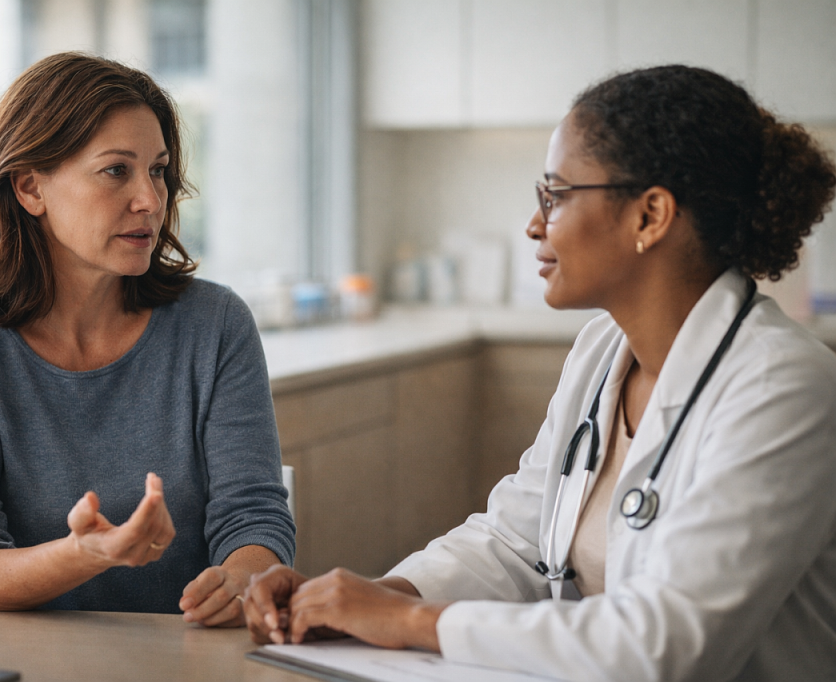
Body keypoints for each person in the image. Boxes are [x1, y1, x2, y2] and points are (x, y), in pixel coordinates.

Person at [242, 65, 836, 681]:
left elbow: (667, 643)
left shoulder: (784, 387)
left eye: (555, 197)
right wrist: (376, 598)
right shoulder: (603, 349)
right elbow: (515, 543)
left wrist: (411, 624)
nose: (534, 225)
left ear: (650, 215)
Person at [0, 52, 295, 624]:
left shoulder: (216, 325)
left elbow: (253, 517)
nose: (150, 199)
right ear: (31, 187)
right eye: (118, 170)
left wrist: (240, 578)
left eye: (158, 170)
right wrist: (85, 555)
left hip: (186, 658)